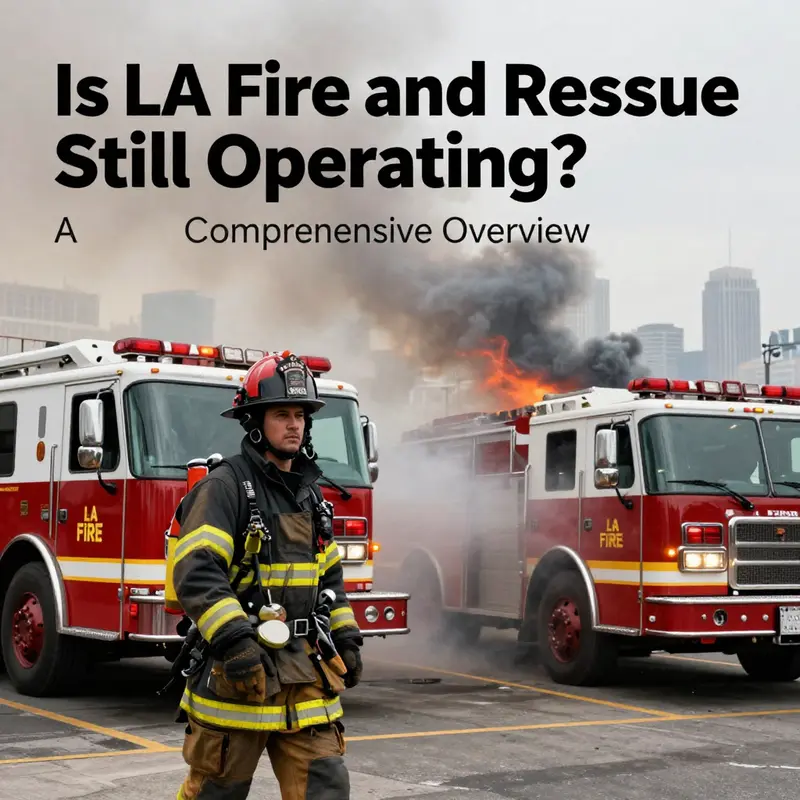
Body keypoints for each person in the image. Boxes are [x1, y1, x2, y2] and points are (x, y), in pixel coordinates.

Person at [171, 351, 363, 800]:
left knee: (326, 789)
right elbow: (196, 570)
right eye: (282, 414)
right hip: (240, 672)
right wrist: (235, 641)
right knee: (216, 792)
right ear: (255, 422)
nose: (295, 424)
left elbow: (329, 580)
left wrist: (348, 638)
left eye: (300, 415)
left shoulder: (310, 494)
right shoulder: (224, 488)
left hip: (306, 672)